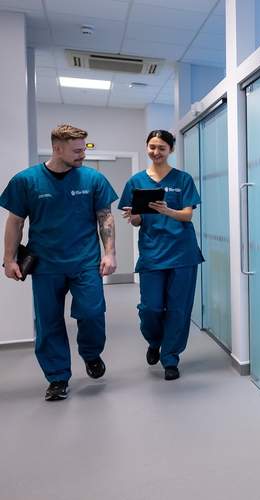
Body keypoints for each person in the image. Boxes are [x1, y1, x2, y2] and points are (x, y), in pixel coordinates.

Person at [1, 124, 118, 401]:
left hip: (85, 261)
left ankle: (90, 353)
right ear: (57, 148)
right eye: (77, 151)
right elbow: (15, 222)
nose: (83, 155)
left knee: (91, 312)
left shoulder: (93, 179)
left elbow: (105, 216)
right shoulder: (26, 181)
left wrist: (110, 252)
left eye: (84, 149)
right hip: (46, 265)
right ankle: (57, 378)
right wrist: (8, 259)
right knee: (48, 322)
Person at [119, 130, 202, 381]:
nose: (156, 152)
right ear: (147, 147)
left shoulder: (183, 179)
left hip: (183, 252)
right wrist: (134, 217)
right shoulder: (136, 181)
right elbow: (136, 221)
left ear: (171, 150)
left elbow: (187, 215)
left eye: (162, 148)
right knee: (150, 308)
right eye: (152, 147)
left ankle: (170, 358)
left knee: (178, 309)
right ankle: (155, 341)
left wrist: (167, 211)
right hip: (153, 252)